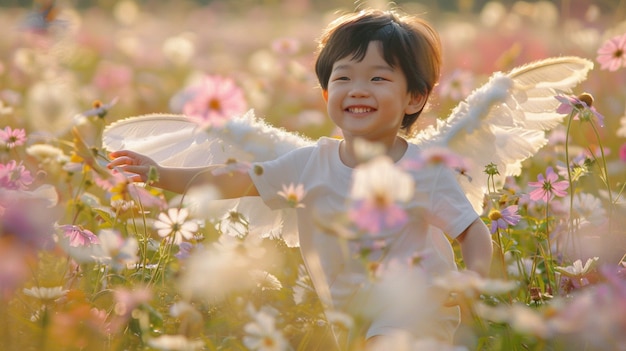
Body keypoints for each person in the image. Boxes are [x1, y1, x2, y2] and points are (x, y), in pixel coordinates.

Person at [108, 8, 493, 348]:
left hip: (417, 310)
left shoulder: (423, 170)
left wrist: (471, 280)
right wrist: (160, 174)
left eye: (378, 79)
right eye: (343, 78)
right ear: (326, 95)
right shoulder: (309, 164)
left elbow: (472, 231)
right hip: (350, 315)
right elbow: (236, 179)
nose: (358, 89)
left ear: (415, 98)